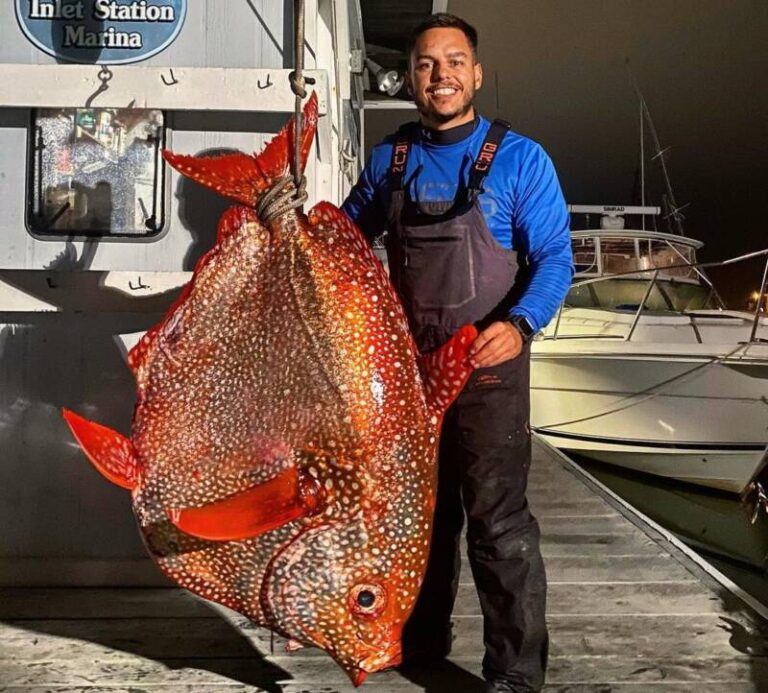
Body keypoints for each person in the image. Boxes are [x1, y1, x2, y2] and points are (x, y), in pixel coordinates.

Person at [342, 13, 572, 692]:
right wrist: (295, 221)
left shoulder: (522, 159)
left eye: (453, 61)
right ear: (409, 77)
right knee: (422, 518)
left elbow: (554, 257)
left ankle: (515, 672)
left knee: (498, 525)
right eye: (425, 64)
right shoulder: (390, 160)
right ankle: (417, 641)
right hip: (409, 378)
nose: (440, 75)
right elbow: (347, 244)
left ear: (476, 73)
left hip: (489, 371)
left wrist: (522, 323)